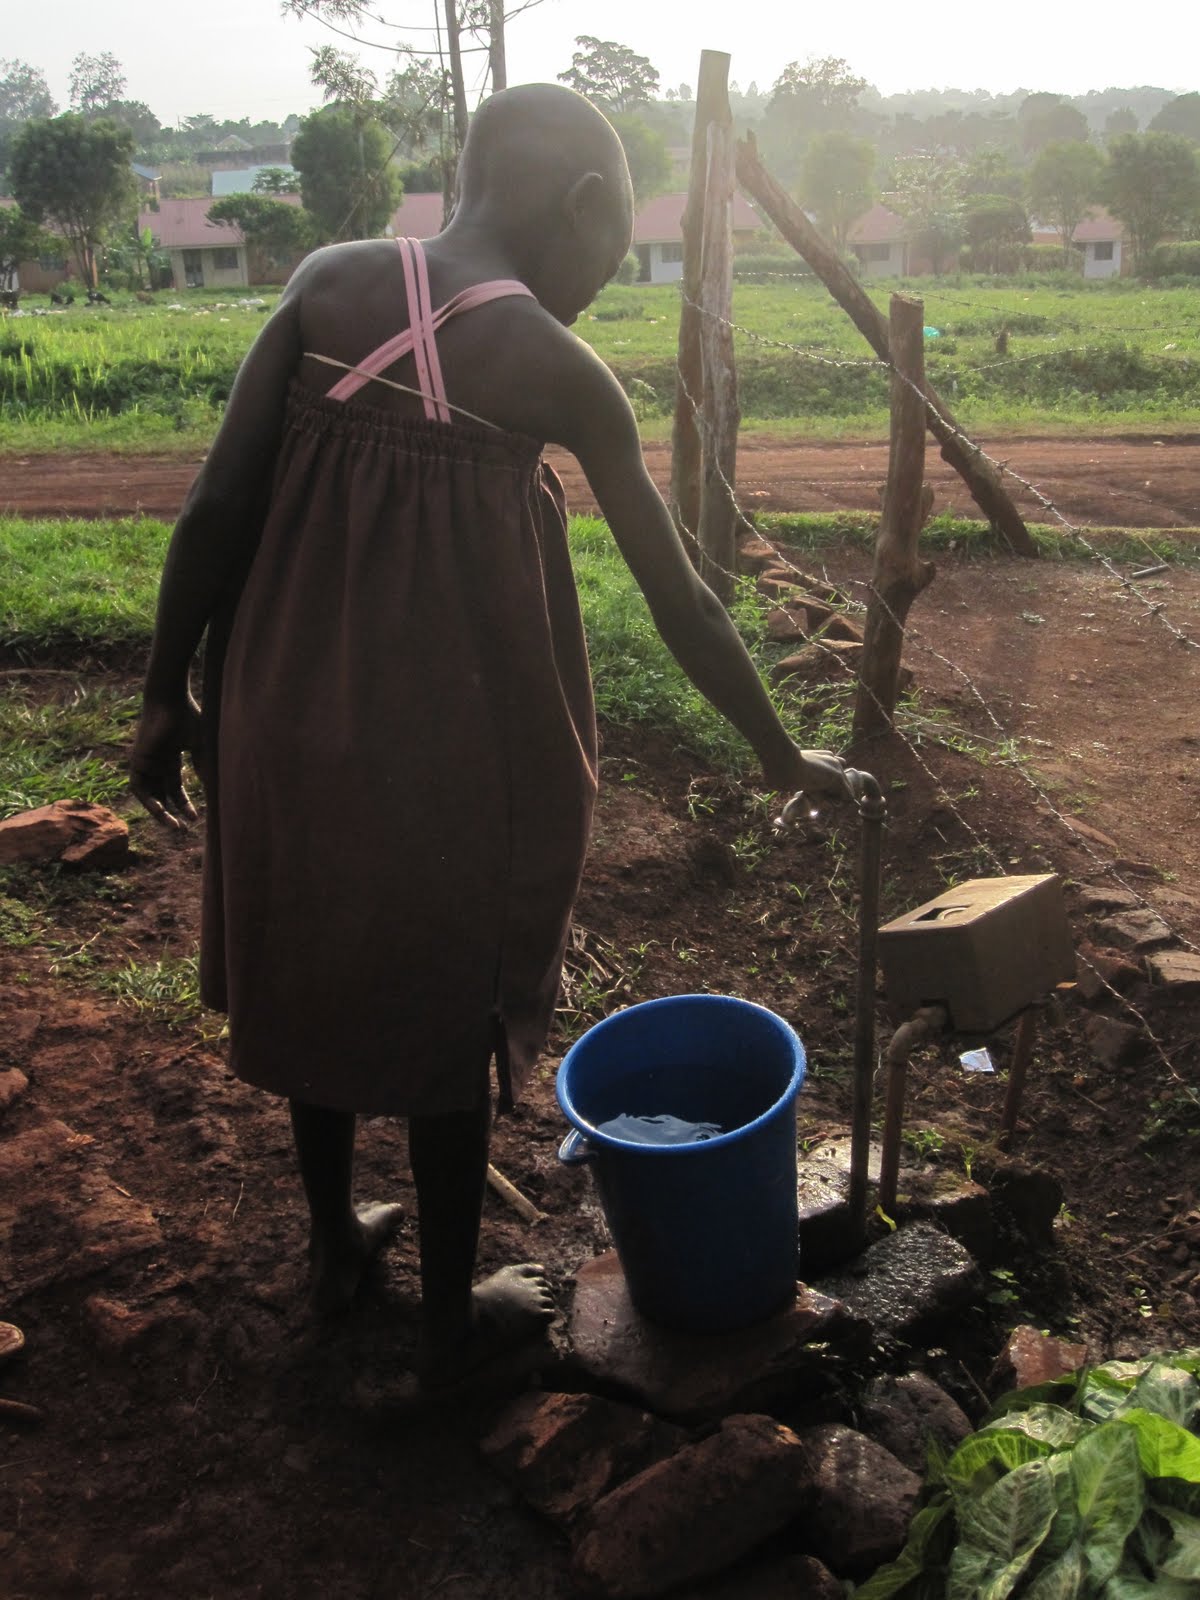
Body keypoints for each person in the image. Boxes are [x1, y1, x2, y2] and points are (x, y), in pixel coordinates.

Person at [129, 83, 849, 1390]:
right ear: (583, 208)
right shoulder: (556, 372)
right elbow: (683, 596)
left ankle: (335, 1241)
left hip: (281, 716)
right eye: (618, 245)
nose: (606, 275)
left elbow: (214, 509)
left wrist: (163, 695)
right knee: (444, 1007)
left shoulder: (329, 283)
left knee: (326, 967)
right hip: (442, 759)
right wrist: (780, 751)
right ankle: (452, 1324)